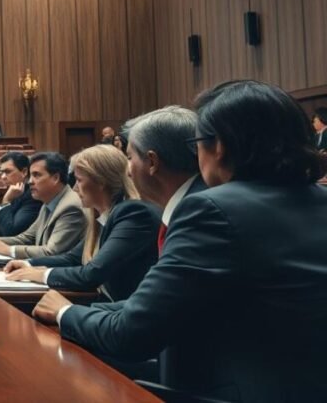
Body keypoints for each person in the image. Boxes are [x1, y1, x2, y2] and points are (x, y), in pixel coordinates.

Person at [34, 80, 327, 401]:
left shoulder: (213, 208)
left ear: (218, 148)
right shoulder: (316, 200)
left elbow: (133, 334)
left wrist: (66, 312)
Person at [3, 145, 159, 302]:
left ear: (100, 181)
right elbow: (72, 259)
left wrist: (42, 274)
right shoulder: (102, 217)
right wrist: (27, 264)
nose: (75, 188)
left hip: (124, 313)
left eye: (79, 180)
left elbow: (92, 273)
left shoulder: (134, 213)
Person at [123, 105, 207, 254]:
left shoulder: (197, 213)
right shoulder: (190, 202)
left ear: (152, 162)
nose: (128, 172)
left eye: (130, 158)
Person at [0, 152, 85, 259]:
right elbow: (26, 238)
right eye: (30, 175)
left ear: (55, 178)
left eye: (36, 175)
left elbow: (51, 252)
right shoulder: (49, 201)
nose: (30, 181)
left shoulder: (70, 207)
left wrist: (9, 250)